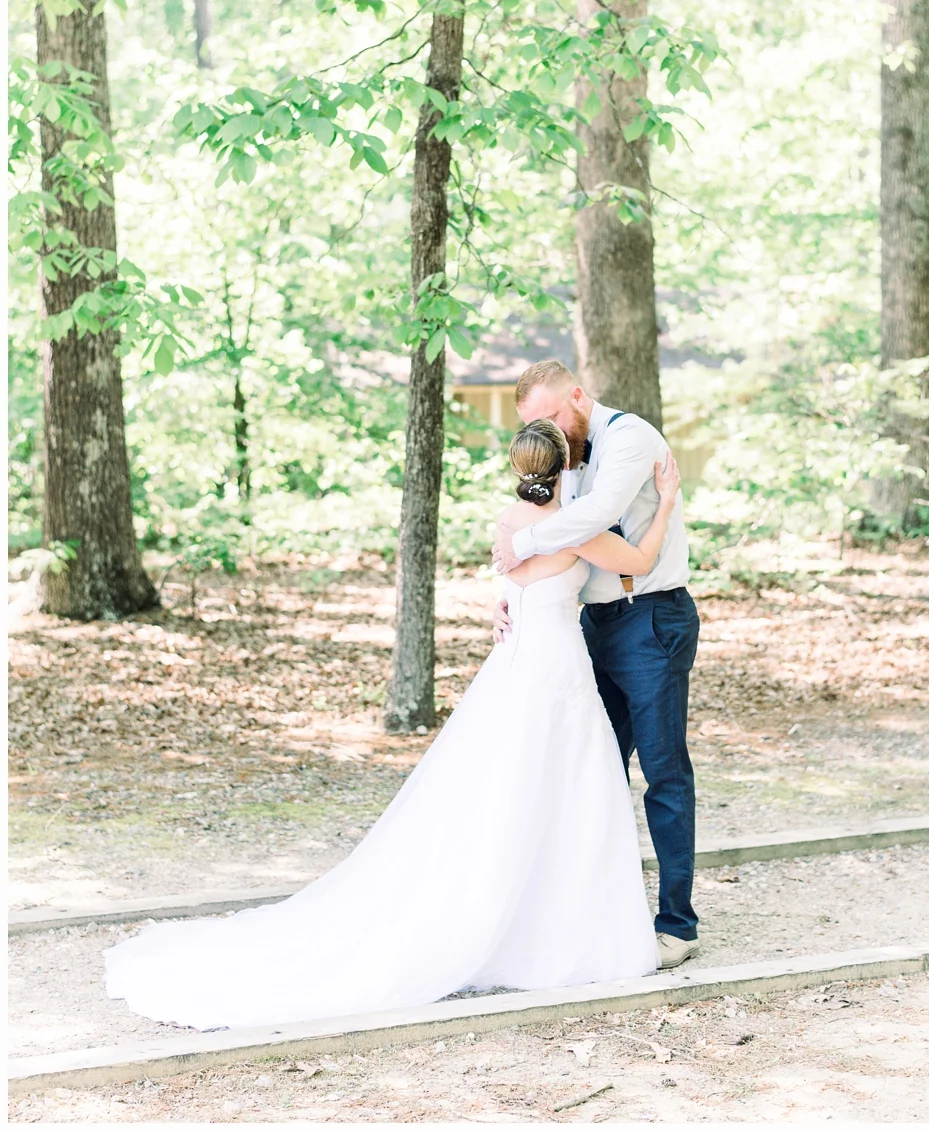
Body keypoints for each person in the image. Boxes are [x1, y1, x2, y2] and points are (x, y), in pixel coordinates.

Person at [103, 421, 681, 1031]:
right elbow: (641, 562)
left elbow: (519, 586)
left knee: (504, 794)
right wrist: (666, 501)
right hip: (557, 668)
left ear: (518, 467)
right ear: (565, 465)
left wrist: (509, 601)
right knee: (563, 793)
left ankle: (514, 921)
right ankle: (550, 932)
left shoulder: (508, 524)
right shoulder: (578, 529)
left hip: (514, 669)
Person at [492, 360, 700, 969]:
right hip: (591, 627)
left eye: (554, 417)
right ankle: (588, 917)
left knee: (663, 774)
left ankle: (677, 926)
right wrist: (516, 592)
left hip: (650, 620)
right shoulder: (567, 458)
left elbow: (597, 514)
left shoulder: (629, 438)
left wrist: (522, 547)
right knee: (590, 772)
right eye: (537, 426)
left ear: (579, 396)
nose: (551, 433)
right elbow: (554, 527)